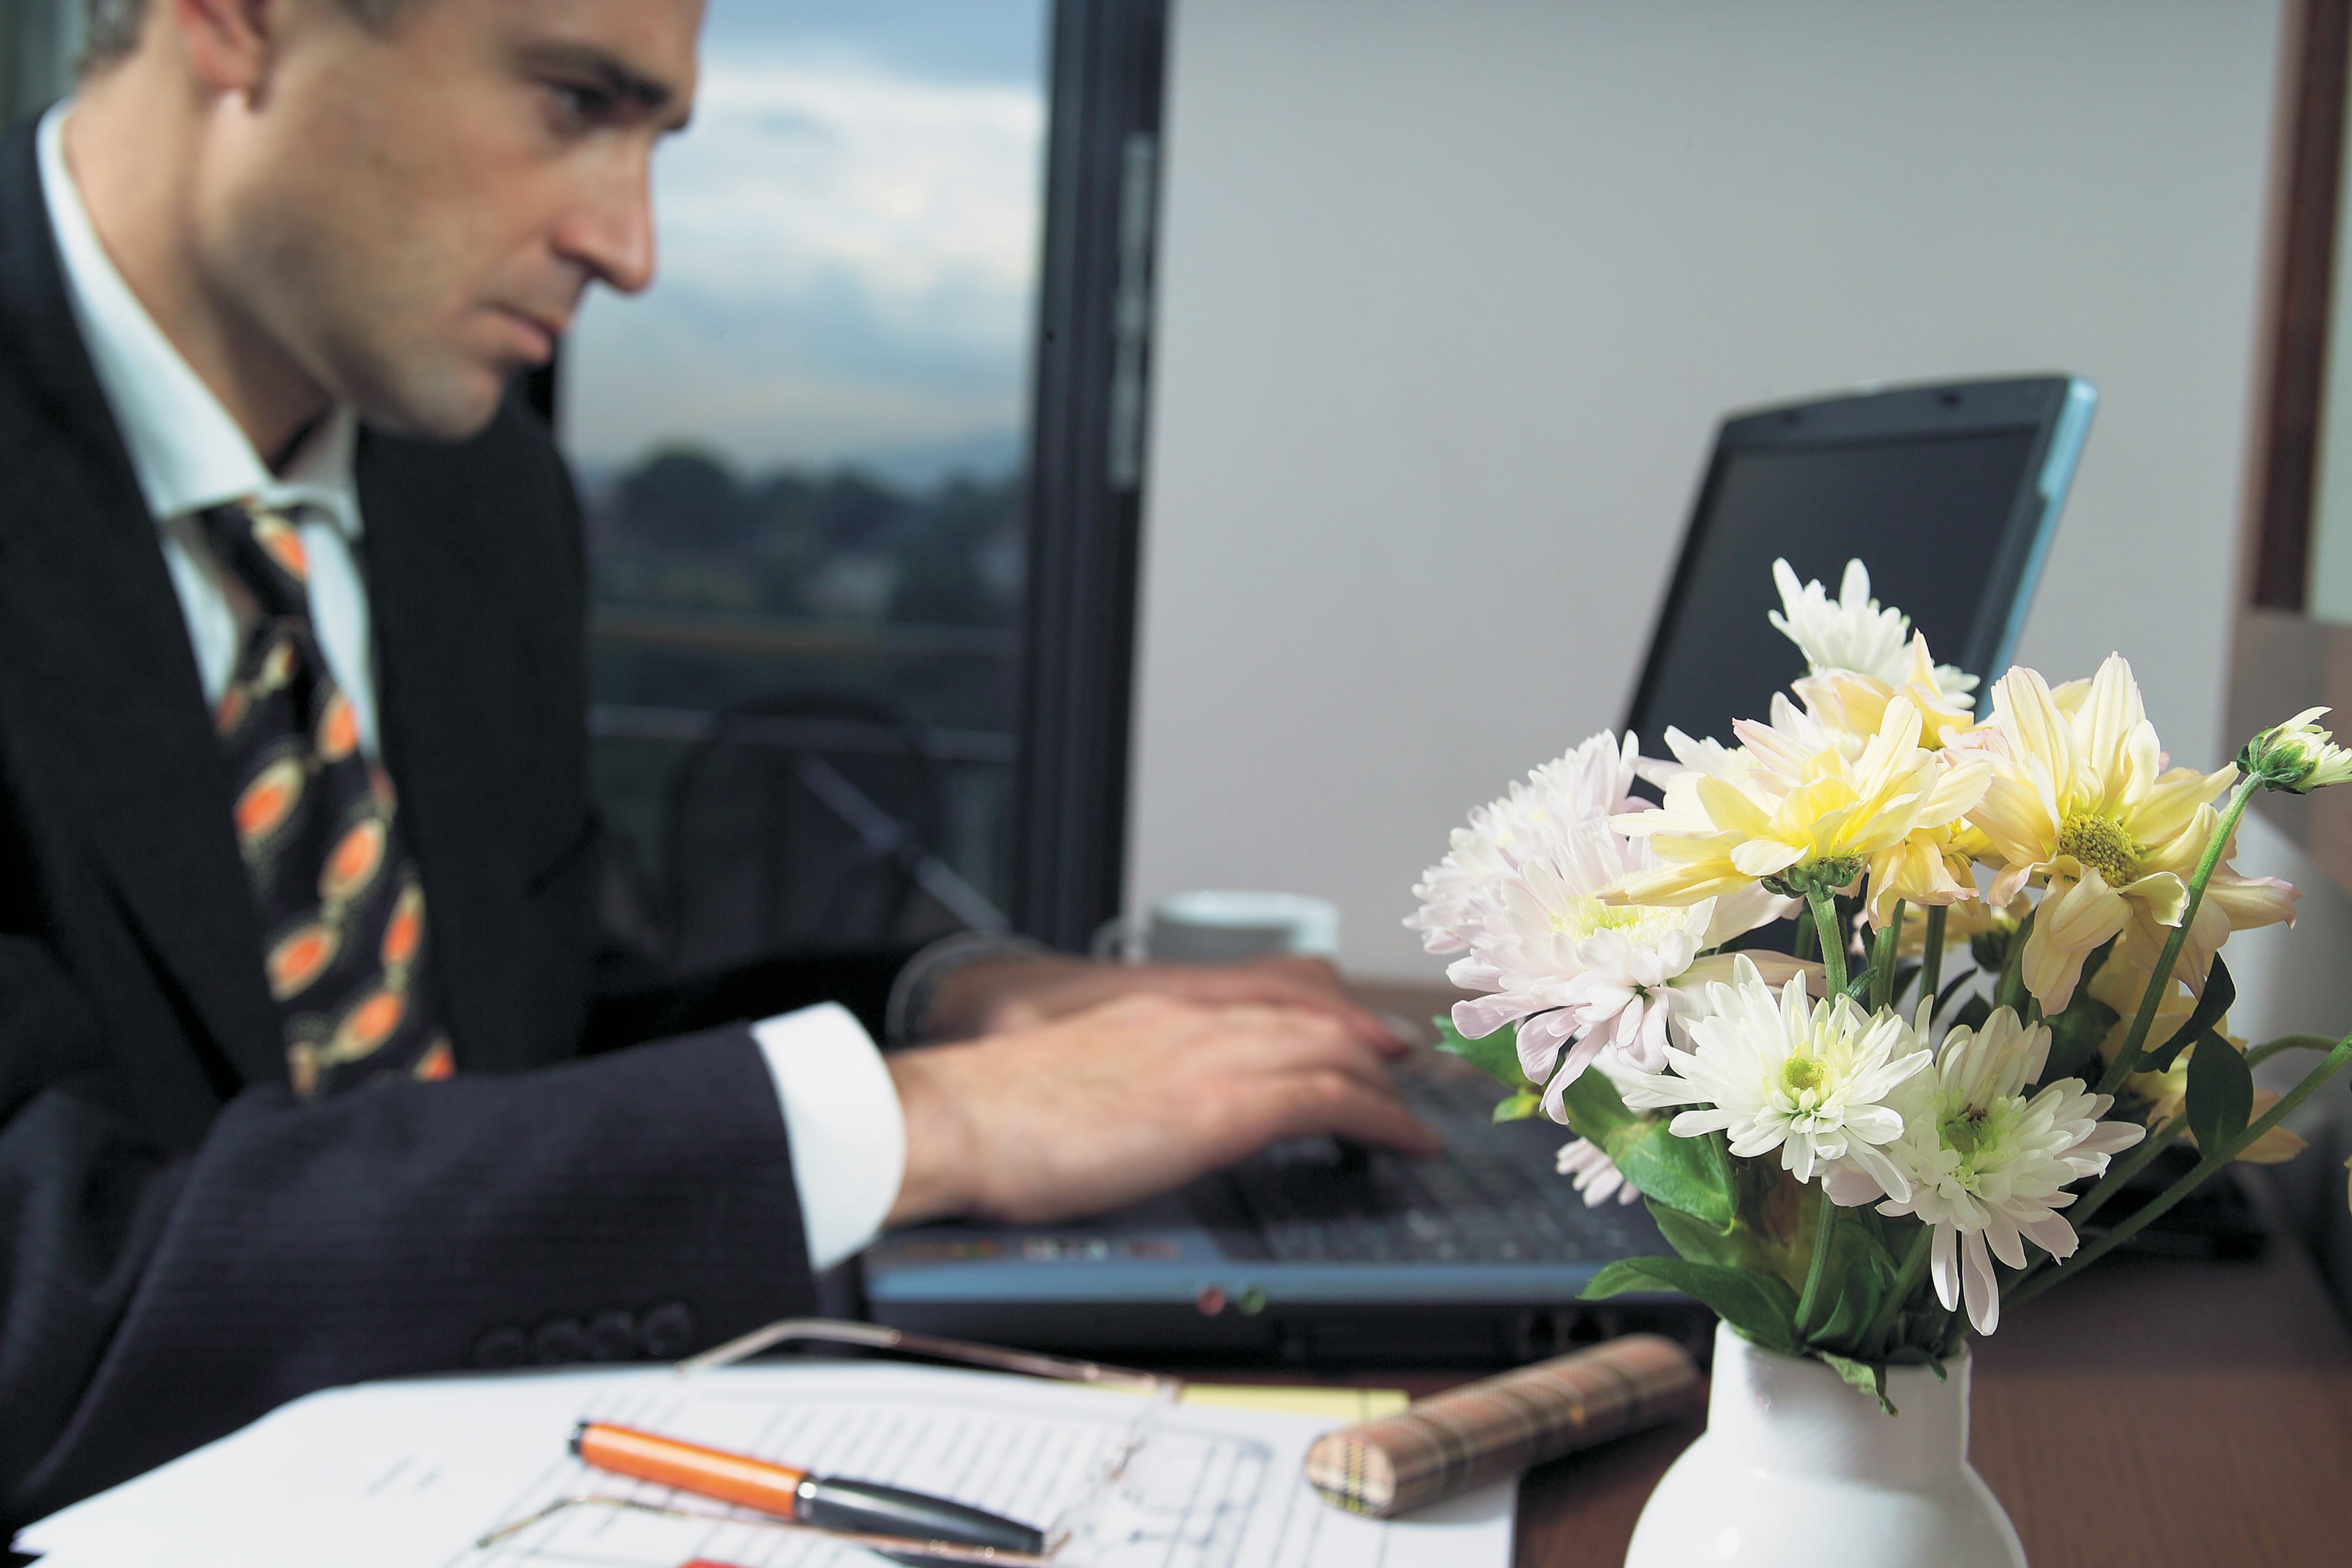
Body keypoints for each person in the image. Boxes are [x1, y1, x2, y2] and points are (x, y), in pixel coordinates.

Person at [0, 0, 1439, 1529]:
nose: (632, 251)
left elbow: (531, 1044)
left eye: (657, 141)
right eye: (570, 103)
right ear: (236, 21)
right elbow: (45, 1291)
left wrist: (947, 1007)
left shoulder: (473, 494)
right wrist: (935, 1121)